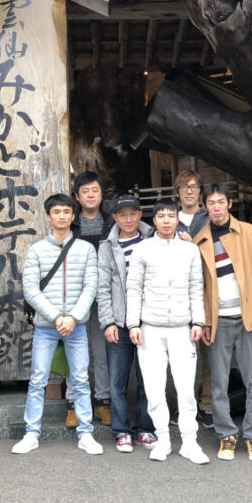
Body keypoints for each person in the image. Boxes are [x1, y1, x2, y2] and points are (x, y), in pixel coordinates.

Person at [13, 193, 103, 456]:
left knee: (81, 380)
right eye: (57, 212)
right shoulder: (36, 250)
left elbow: (91, 286)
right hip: (46, 327)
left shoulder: (86, 249)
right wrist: (56, 317)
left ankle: (85, 433)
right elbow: (30, 290)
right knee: (38, 379)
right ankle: (31, 433)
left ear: (73, 216)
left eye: (66, 212)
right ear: (49, 216)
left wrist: (72, 317)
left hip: (76, 326)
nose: (62, 216)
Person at [126, 200, 209, 465]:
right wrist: (133, 324)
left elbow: (196, 287)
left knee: (186, 389)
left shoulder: (190, 250)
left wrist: (198, 321)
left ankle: (189, 442)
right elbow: (134, 288)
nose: (165, 220)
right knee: (154, 387)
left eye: (170, 216)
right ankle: (162, 438)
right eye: (160, 216)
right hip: (150, 328)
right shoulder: (143, 249)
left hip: (182, 328)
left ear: (177, 220)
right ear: (154, 220)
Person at [193, 183, 252, 462]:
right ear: (205, 207)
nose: (216, 207)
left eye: (220, 202)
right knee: (218, 382)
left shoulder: (248, 232)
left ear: (229, 203)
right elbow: (200, 287)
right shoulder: (199, 240)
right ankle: (226, 433)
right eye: (211, 203)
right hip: (218, 320)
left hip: (247, 316)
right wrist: (204, 321)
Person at [97, 194, 158, 453]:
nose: (129, 219)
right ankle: (121, 430)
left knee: (148, 379)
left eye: (133, 213)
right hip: (119, 323)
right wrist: (108, 322)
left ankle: (145, 428)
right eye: (123, 215)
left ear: (140, 214)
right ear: (115, 217)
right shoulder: (107, 246)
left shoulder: (154, 239)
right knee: (117, 381)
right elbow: (103, 288)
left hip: (148, 321)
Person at [65, 171, 114, 429]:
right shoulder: (70, 222)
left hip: (105, 293)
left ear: (101, 193)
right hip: (76, 293)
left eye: (95, 190)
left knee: (102, 348)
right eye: (85, 191)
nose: (91, 195)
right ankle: (73, 402)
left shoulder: (112, 220)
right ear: (77, 196)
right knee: (75, 348)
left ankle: (102, 401)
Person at [172, 169, 213, 427]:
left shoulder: (210, 217)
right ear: (177, 192)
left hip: (207, 291)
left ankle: (207, 404)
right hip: (177, 295)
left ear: (200, 191)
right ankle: (183, 405)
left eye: (194, 186)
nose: (189, 191)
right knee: (181, 356)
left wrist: (193, 246)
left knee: (209, 352)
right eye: (184, 186)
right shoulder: (168, 218)